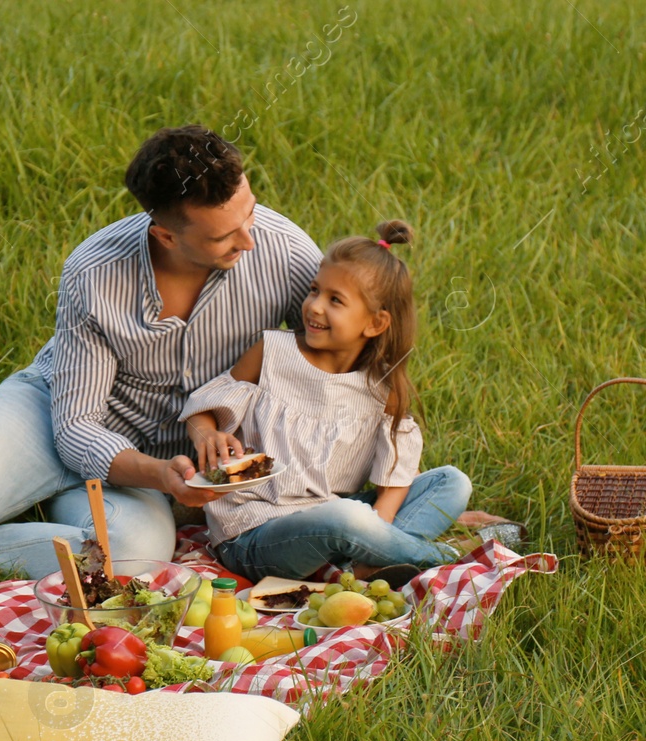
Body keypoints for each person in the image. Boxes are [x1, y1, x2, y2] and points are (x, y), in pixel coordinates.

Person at [0, 124, 323, 577]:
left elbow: (342, 355)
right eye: (223, 237)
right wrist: (162, 475)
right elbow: (75, 427)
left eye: (249, 213)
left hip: (146, 468)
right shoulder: (96, 270)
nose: (249, 239)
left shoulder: (283, 251)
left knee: (134, 558)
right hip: (50, 415)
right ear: (166, 236)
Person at [180, 220, 471, 581]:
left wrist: (374, 529)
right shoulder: (272, 353)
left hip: (334, 520)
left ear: (376, 324)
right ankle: (447, 559)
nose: (314, 307)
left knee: (452, 482)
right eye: (315, 291)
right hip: (255, 533)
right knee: (346, 520)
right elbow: (204, 405)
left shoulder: (381, 387)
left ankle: (368, 563)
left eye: (335, 300)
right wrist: (206, 434)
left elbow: (394, 480)